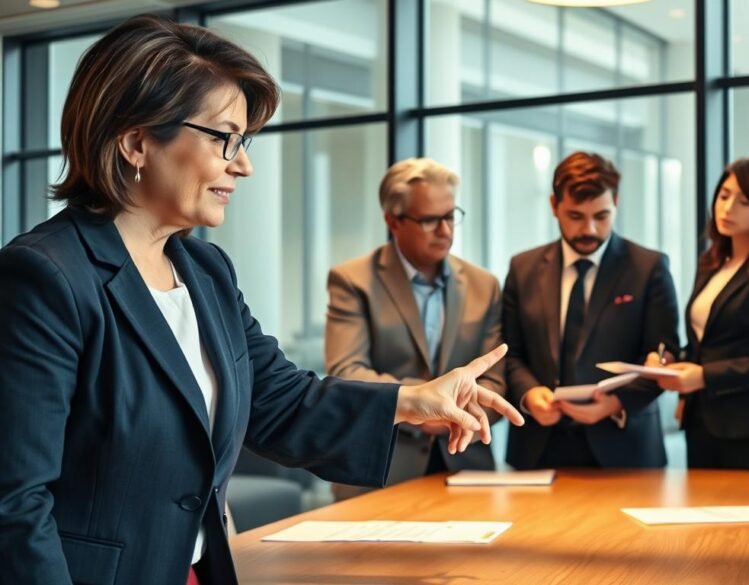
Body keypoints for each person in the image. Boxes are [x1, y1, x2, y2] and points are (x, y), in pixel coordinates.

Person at [0, 16, 523, 585]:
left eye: (243, 142)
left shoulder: (205, 270)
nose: (243, 164)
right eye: (225, 138)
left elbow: (278, 400)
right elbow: (15, 502)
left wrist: (414, 399)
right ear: (136, 142)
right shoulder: (45, 277)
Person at [325, 158, 504, 492]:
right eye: (430, 220)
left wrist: (456, 412)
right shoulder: (353, 281)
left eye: (450, 216)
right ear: (393, 220)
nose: (445, 231)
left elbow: (494, 379)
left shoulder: (485, 285)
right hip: (380, 466)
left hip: (466, 467)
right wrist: (421, 406)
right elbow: (347, 370)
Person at [503, 151, 680, 470]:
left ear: (617, 203)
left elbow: (663, 354)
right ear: (553, 206)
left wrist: (616, 403)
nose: (590, 229)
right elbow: (510, 353)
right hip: (540, 447)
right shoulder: (523, 268)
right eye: (575, 216)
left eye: (602, 216)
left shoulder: (648, 267)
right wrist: (529, 394)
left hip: (625, 446)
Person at [645, 157, 749, 469]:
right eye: (724, 196)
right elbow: (706, 344)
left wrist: (705, 377)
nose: (727, 208)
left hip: (744, 426)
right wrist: (671, 361)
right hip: (700, 421)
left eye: (744, 201)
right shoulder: (712, 262)